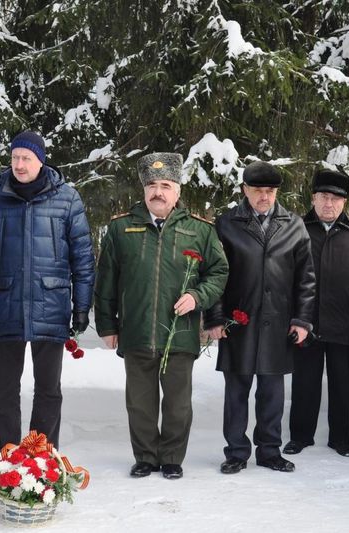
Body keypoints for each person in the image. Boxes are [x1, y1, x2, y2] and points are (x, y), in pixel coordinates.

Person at [94, 152, 228, 480]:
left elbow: (219, 271)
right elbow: (106, 279)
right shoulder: (121, 228)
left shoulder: (199, 230)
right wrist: (107, 324)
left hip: (179, 333)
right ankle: (144, 457)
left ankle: (171, 457)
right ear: (143, 190)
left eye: (166, 185)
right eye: (152, 184)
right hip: (136, 329)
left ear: (178, 191)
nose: (158, 191)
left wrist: (197, 296)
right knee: (140, 403)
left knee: (178, 404)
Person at [0, 131, 95, 453]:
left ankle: (41, 456)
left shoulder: (67, 198)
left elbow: (82, 258)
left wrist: (81, 307)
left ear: (41, 160)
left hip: (50, 304)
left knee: (48, 389)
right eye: (14, 158)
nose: (19, 165)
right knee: (6, 389)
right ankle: (8, 456)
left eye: (26, 158)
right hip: (5, 302)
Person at [205, 161, 316, 474]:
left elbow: (306, 278)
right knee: (236, 392)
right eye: (258, 191)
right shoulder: (227, 223)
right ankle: (236, 452)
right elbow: (215, 274)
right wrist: (214, 318)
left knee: (272, 393)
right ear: (245, 190)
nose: (264, 197)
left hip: (278, 323)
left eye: (270, 191)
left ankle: (269, 450)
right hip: (238, 322)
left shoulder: (294, 224)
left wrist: (302, 320)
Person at [283, 169, 349, 458]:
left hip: (343, 320)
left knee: (342, 383)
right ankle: (300, 436)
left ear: (345, 202)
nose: (330, 204)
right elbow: (284, 276)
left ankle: (341, 439)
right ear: (313, 197)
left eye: (336, 199)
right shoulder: (296, 228)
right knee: (305, 382)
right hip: (306, 322)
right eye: (324, 197)